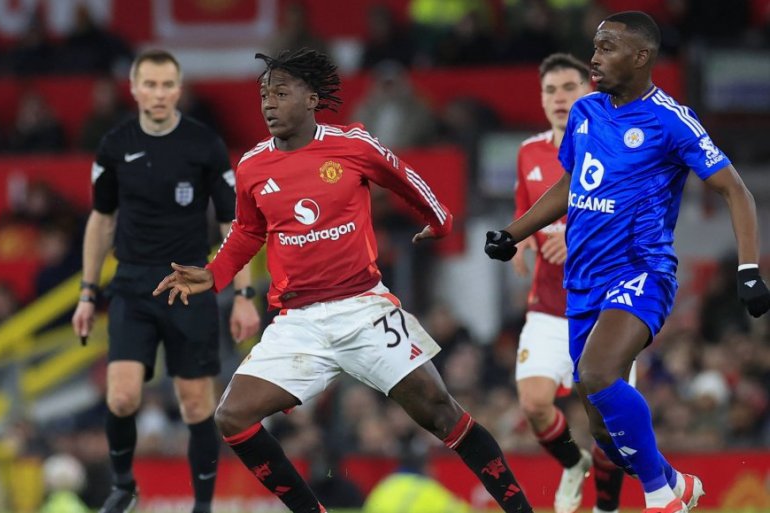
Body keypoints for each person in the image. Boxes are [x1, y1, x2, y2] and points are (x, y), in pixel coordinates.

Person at [154, 48, 534, 513]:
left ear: (312, 99)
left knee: (441, 412)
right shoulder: (252, 166)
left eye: (280, 93)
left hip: (363, 308)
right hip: (297, 321)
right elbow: (248, 231)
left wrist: (438, 223)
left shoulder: (353, 145)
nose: (269, 103)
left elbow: (406, 179)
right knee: (232, 416)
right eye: (263, 95)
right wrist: (214, 275)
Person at [484, 11, 770, 513]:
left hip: (640, 271)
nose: (594, 58)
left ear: (640, 57)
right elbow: (570, 183)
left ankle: (660, 498)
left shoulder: (670, 120)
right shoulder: (586, 111)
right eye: (595, 47)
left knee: (597, 374)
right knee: (601, 427)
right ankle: (674, 482)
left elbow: (736, 190)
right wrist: (514, 233)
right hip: (582, 282)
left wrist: (749, 269)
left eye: (607, 48)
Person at [71, 49, 261, 513]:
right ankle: (123, 485)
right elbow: (101, 220)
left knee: (196, 404)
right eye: (150, 85)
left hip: (189, 282)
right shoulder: (115, 145)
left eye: (167, 85)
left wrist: (244, 295)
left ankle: (202, 505)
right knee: (122, 397)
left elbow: (234, 224)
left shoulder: (204, 144)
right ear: (134, 89)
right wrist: (87, 293)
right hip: (132, 284)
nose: (158, 94)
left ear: (179, 90)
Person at [511, 53, 626, 513]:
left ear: (589, 91)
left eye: (569, 88)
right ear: (541, 99)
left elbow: (632, 219)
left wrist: (574, 239)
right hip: (548, 306)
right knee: (534, 403)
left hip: (609, 307)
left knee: (610, 423)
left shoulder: (618, 146)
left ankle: (606, 508)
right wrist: (521, 238)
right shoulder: (528, 152)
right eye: (550, 90)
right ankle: (573, 464)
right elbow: (526, 207)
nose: (559, 98)